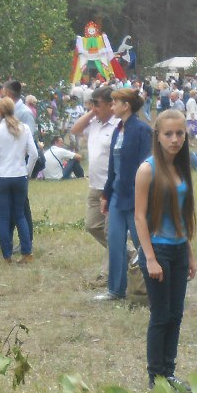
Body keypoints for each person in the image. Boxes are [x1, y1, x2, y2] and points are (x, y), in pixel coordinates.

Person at [132, 109, 197, 389]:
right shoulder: (148, 169)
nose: (174, 139)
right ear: (157, 137)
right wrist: (150, 258)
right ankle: (155, 377)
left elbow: (182, 216)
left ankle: (169, 373)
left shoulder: (181, 167)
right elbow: (139, 216)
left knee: (176, 313)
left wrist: (190, 254)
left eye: (179, 133)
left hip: (180, 249)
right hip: (158, 249)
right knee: (161, 315)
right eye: (168, 134)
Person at [98, 88, 152, 301]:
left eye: (114, 103)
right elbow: (113, 166)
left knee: (143, 243)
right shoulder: (117, 130)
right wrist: (106, 193)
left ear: (126, 105)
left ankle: (152, 287)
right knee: (115, 242)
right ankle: (115, 290)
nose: (112, 107)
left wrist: (143, 195)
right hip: (117, 196)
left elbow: (146, 165)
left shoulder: (142, 130)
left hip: (135, 197)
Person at [0, 96, 38, 263]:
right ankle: (26, 251)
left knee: (4, 216)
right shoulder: (24, 128)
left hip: (1, 176)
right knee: (20, 214)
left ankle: (7, 255)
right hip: (19, 175)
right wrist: (27, 171)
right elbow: (34, 154)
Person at [70, 86, 119, 269]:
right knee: (92, 225)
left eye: (97, 104)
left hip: (112, 186)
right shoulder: (94, 124)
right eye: (92, 104)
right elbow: (75, 130)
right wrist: (92, 113)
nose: (94, 108)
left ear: (110, 105)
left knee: (110, 231)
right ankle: (129, 253)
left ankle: (108, 273)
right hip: (95, 185)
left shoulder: (118, 125)